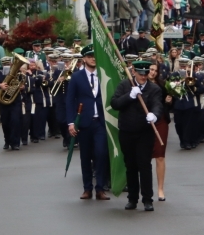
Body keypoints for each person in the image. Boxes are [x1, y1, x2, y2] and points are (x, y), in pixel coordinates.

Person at [111, 60, 164, 211]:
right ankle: (132, 198)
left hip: (144, 132)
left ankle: (147, 199)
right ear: (133, 72)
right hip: (127, 131)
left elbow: (157, 104)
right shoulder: (124, 85)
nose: (143, 76)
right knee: (131, 165)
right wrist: (129, 96)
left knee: (144, 165)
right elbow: (115, 103)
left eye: (146, 73)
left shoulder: (153, 88)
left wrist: (155, 115)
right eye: (140, 74)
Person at [66, 45, 111, 200]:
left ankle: (100, 188)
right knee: (85, 156)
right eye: (90, 56)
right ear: (84, 58)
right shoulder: (76, 77)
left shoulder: (103, 74)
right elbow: (69, 100)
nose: (93, 59)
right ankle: (87, 188)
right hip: (84, 122)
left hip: (100, 122)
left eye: (95, 56)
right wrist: (71, 122)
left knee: (101, 153)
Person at [149, 62, 173, 201]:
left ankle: (160, 189)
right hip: (145, 122)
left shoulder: (162, 85)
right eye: (150, 70)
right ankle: (146, 188)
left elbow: (168, 104)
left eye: (155, 70)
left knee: (160, 155)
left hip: (161, 121)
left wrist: (169, 101)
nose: (152, 72)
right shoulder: (139, 85)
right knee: (144, 156)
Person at [0, 56, 24, 150]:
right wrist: (0, 85)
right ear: (2, 65)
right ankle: (7, 141)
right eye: (4, 64)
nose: (6, 65)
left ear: (11, 64)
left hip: (15, 101)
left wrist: (22, 87)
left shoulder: (18, 73)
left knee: (15, 121)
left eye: (8, 64)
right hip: (3, 102)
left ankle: (15, 143)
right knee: (5, 122)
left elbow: (23, 84)